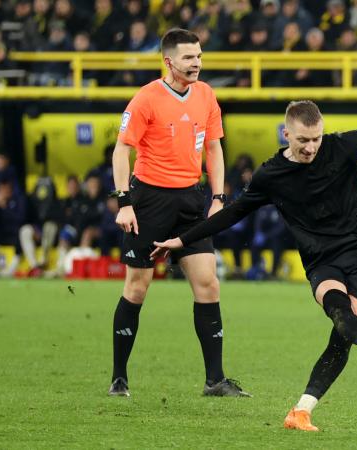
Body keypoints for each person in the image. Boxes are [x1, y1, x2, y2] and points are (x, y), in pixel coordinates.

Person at [151, 100, 357, 432]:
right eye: (303, 140)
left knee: (349, 322)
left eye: (316, 138)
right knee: (337, 309)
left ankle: (302, 410)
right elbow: (233, 213)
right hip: (322, 259)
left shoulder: (342, 145)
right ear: (286, 133)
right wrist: (182, 240)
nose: (311, 147)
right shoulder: (271, 175)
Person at [107, 28, 244, 398]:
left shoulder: (206, 95)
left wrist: (218, 197)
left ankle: (215, 380)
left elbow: (214, 149)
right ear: (169, 61)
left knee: (208, 284)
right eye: (189, 57)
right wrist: (124, 202)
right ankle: (119, 378)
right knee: (137, 288)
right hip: (149, 200)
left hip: (190, 201)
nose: (197, 63)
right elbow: (121, 151)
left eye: (199, 56)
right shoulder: (146, 98)